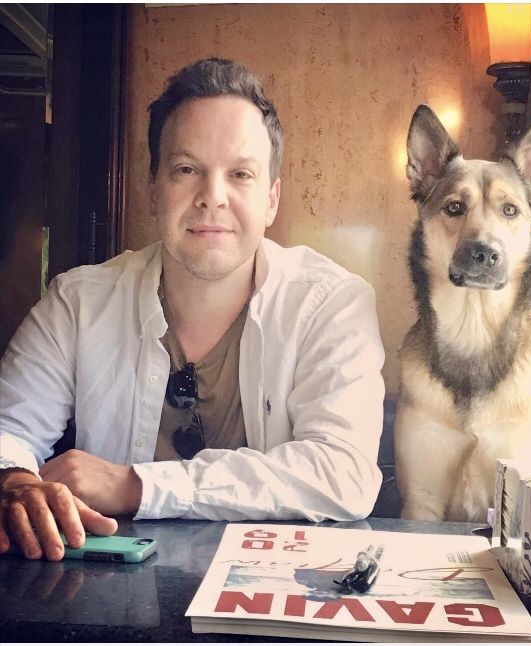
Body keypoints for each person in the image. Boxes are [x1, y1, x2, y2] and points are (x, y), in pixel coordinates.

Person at [0, 57, 385, 561]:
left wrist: (137, 485)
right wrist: (14, 480)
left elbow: (344, 474)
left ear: (271, 200)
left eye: (241, 174)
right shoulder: (78, 302)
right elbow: (9, 432)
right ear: (154, 189)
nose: (212, 198)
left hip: (277, 598)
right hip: (113, 606)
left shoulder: (332, 304)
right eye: (187, 170)